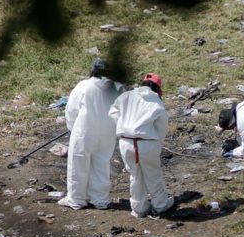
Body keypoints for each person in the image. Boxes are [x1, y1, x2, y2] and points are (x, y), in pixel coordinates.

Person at [58, 59, 125, 210]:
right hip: (108, 132)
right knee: (102, 164)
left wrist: (72, 128)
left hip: (84, 131)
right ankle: (100, 199)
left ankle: (76, 199)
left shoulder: (84, 86)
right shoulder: (117, 88)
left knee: (78, 164)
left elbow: (71, 110)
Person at [109, 73, 174, 218]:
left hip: (126, 142)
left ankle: (139, 208)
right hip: (147, 143)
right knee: (153, 175)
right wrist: (158, 141)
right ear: (157, 88)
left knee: (134, 175)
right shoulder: (156, 102)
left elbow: (112, 112)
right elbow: (162, 127)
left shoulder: (126, 96)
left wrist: (122, 124)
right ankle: (160, 205)